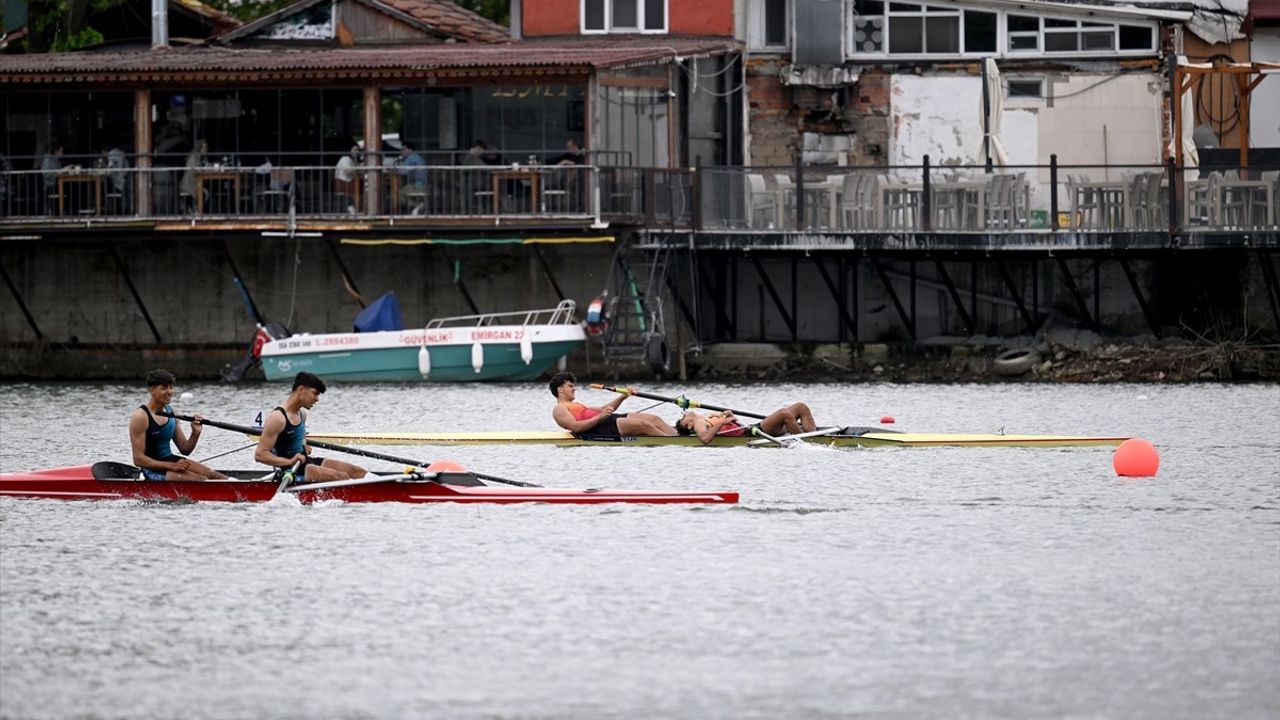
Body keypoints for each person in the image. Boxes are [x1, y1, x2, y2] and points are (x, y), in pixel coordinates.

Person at [254, 371, 366, 484]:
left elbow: (300, 436)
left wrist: (304, 444)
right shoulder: (277, 418)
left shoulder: (302, 413)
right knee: (342, 477)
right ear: (301, 390)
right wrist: (289, 461)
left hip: (306, 462)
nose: (317, 399)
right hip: (291, 471)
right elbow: (260, 455)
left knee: (357, 472)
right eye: (315, 393)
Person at [128, 369, 227, 481]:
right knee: (201, 480)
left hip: (171, 462)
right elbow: (138, 459)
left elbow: (185, 449)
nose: (169, 392)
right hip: (151, 470)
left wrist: (195, 433)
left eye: (171, 387)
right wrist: (172, 466)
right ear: (152, 390)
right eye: (164, 388)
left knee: (213, 475)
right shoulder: (140, 416)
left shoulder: (172, 412)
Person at [549, 372, 677, 438]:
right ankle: (671, 442)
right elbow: (575, 427)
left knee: (654, 419)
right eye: (570, 386)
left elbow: (604, 409)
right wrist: (600, 417)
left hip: (607, 420)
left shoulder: (576, 404)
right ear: (560, 389)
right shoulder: (559, 409)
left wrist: (622, 397)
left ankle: (678, 435)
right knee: (644, 424)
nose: (574, 389)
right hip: (598, 428)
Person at [674, 403, 818, 444]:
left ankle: (814, 436)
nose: (683, 415)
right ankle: (806, 442)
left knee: (801, 407)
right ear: (689, 426)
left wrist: (731, 416)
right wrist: (722, 421)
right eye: (682, 420)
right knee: (784, 413)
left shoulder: (705, 417)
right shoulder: (698, 424)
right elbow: (705, 439)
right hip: (754, 433)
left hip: (749, 427)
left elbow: (735, 426)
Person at [396, 142, 427, 214]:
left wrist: (396, 166)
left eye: (404, 149)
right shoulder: (418, 157)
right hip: (424, 185)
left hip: (417, 186)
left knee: (398, 194)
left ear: (410, 150)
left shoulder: (411, 158)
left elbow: (403, 171)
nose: (402, 152)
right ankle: (418, 206)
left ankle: (417, 205)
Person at [335, 143, 363, 213]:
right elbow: (348, 170)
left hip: (350, 180)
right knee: (360, 186)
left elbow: (357, 170)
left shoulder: (353, 159)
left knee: (362, 184)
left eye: (357, 150)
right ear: (349, 150)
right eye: (354, 150)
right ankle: (354, 208)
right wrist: (359, 168)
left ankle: (358, 207)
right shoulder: (345, 159)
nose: (356, 152)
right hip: (343, 181)